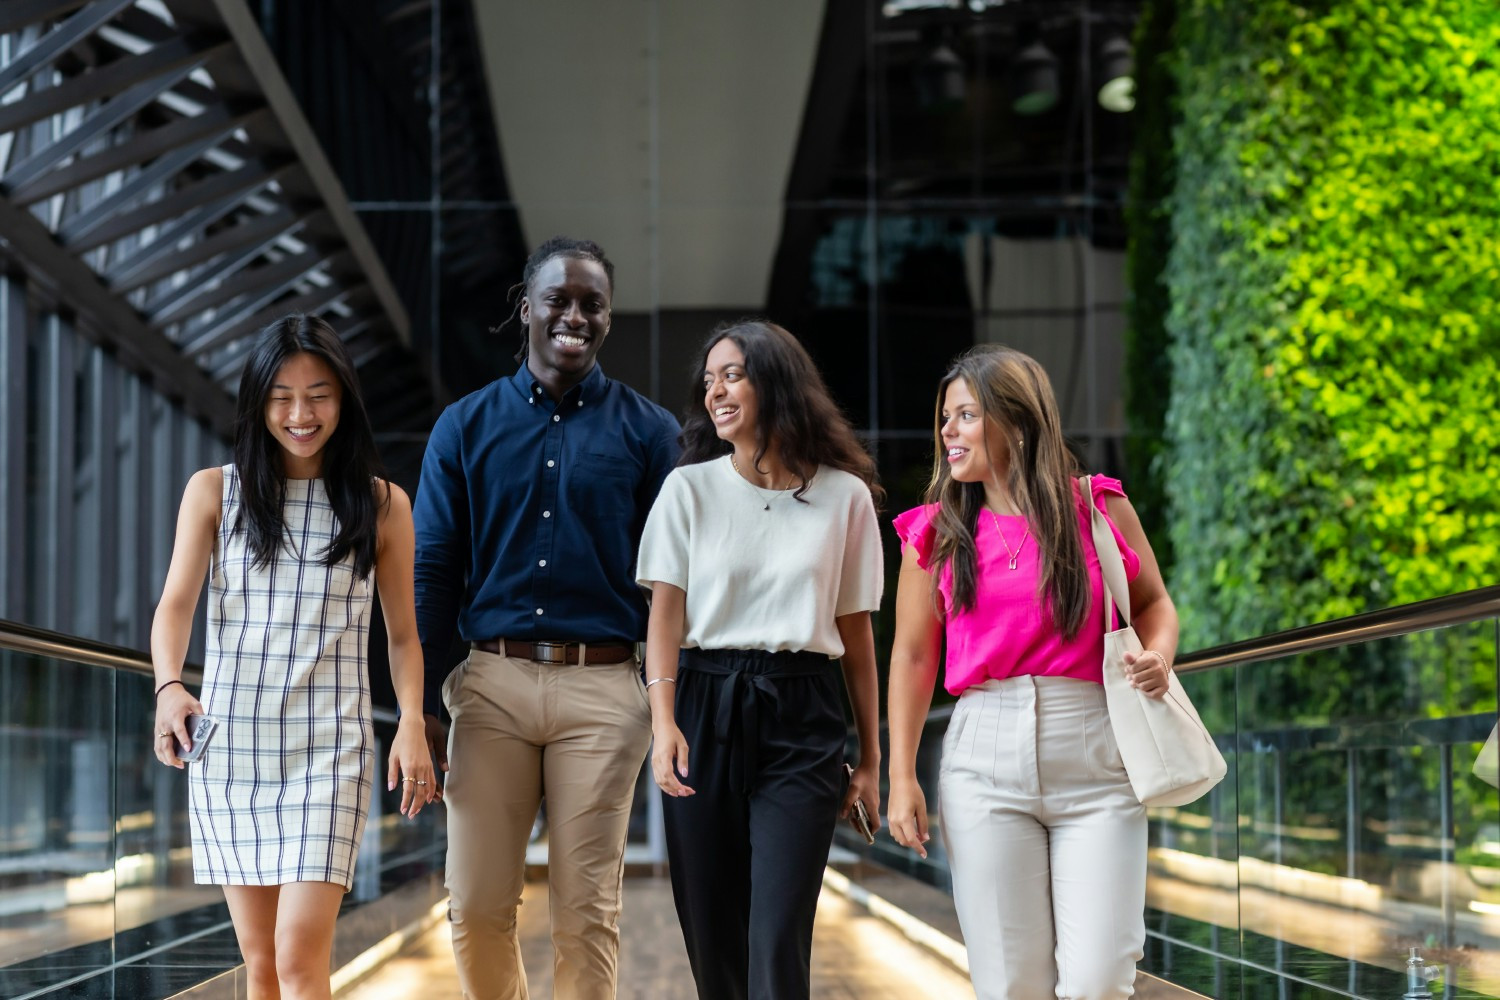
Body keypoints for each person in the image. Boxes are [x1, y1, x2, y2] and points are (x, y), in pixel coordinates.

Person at [412, 237, 680, 998]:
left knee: (586, 911)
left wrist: (663, 703)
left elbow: (673, 587)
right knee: (474, 904)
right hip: (490, 686)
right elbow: (433, 571)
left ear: (607, 317)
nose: (575, 316)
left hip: (603, 694)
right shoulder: (464, 428)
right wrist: (426, 706)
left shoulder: (650, 433)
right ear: (526, 308)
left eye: (592, 303)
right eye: (558, 299)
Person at [151, 314, 436, 1000]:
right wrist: (167, 687)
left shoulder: (382, 506)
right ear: (258, 402)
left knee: (301, 958)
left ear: (343, 400)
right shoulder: (214, 493)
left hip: (326, 757)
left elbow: (402, 635)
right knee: (262, 966)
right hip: (231, 752)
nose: (301, 413)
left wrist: (413, 723)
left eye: (319, 394)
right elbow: (175, 605)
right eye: (281, 396)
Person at [885, 345, 1178, 1000]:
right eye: (945, 418)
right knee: (1012, 983)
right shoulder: (935, 534)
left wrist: (1158, 655)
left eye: (964, 416)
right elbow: (911, 656)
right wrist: (901, 776)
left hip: (1099, 759)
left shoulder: (1098, 509)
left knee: (1101, 979)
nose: (947, 433)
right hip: (982, 761)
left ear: (1015, 421)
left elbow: (1156, 604)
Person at [636, 320, 884, 1000]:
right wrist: (663, 724)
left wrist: (871, 758)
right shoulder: (688, 490)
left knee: (777, 932)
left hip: (803, 709)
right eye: (709, 379)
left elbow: (856, 634)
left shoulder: (846, 498)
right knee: (712, 926)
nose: (715, 391)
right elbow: (665, 616)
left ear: (775, 382)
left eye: (733, 375)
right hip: (704, 701)